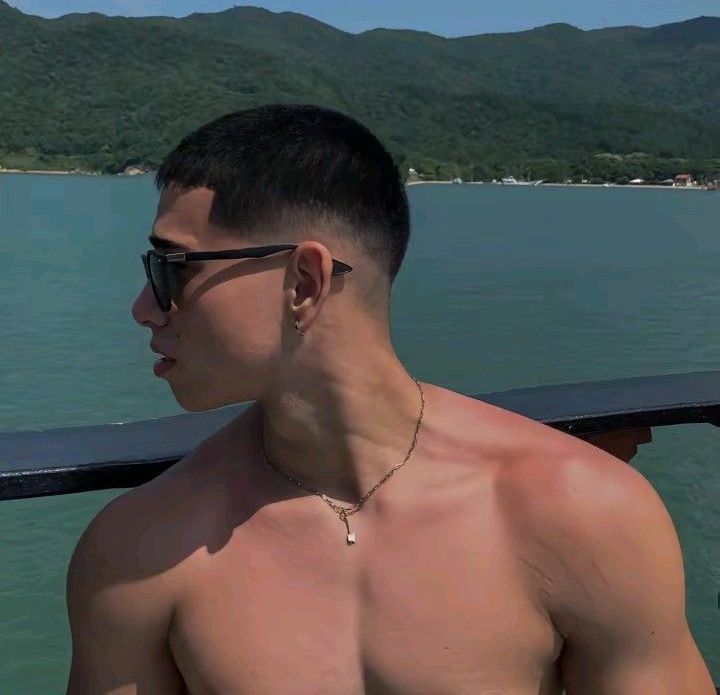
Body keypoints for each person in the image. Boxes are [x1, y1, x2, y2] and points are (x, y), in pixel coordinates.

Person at [65, 104, 715, 694]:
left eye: (171, 270)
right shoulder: (136, 550)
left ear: (304, 282)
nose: (144, 308)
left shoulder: (583, 514)